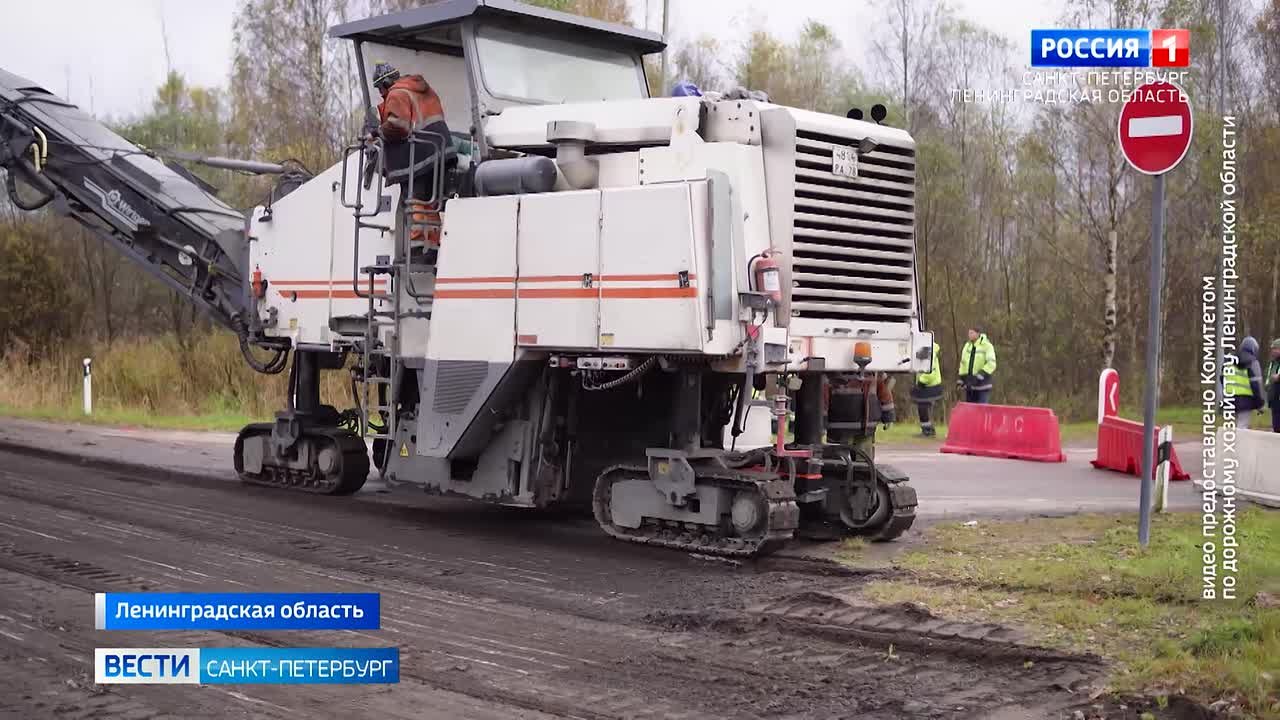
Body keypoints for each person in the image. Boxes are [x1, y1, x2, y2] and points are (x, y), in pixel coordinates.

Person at [370, 62, 452, 249]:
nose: (381, 94)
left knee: (414, 200)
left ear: (386, 83)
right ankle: (431, 246)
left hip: (418, 156)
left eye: (380, 88)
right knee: (430, 201)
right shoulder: (420, 88)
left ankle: (417, 247)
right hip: (438, 152)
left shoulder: (396, 93)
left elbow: (398, 125)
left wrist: (377, 133)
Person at [1223, 336, 1266, 429]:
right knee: (1242, 427)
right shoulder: (1253, 363)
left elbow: (1222, 379)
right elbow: (1256, 386)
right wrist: (1260, 404)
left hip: (1229, 399)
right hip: (1245, 402)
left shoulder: (1229, 361)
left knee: (1230, 428)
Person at [911, 341, 943, 437]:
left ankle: (928, 430)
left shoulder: (929, 351)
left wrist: (922, 381)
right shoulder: (926, 350)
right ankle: (927, 429)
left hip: (929, 384)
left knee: (923, 407)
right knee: (923, 408)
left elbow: (930, 370)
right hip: (927, 383)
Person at [957, 327, 996, 404]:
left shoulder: (987, 346)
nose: (969, 335)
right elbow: (963, 363)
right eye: (969, 333)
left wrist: (981, 374)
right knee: (970, 409)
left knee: (981, 408)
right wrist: (961, 379)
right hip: (970, 385)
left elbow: (991, 363)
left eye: (972, 333)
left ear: (978, 334)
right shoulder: (967, 346)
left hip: (983, 385)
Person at [1265, 339, 1280, 433]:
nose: (1273, 351)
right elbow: (1268, 375)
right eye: (1272, 349)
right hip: (1274, 397)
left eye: (1275, 349)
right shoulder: (1272, 362)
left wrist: (1278, 377)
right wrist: (1267, 385)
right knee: (1276, 425)